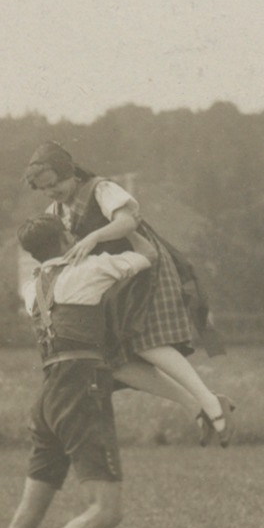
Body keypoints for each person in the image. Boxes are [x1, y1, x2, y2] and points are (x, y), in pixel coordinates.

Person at [0, 215, 158, 528]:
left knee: (29, 512)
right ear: (66, 238)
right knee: (106, 510)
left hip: (48, 394)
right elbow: (148, 254)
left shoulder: (31, 288)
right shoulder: (89, 270)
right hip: (81, 390)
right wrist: (122, 221)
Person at [24, 141, 234, 446]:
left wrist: (94, 236)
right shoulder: (55, 210)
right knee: (113, 361)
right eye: (43, 189)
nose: (50, 192)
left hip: (144, 269)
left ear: (70, 173)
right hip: (110, 281)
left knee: (146, 341)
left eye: (54, 184)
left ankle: (212, 405)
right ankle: (200, 406)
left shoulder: (100, 189)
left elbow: (127, 222)